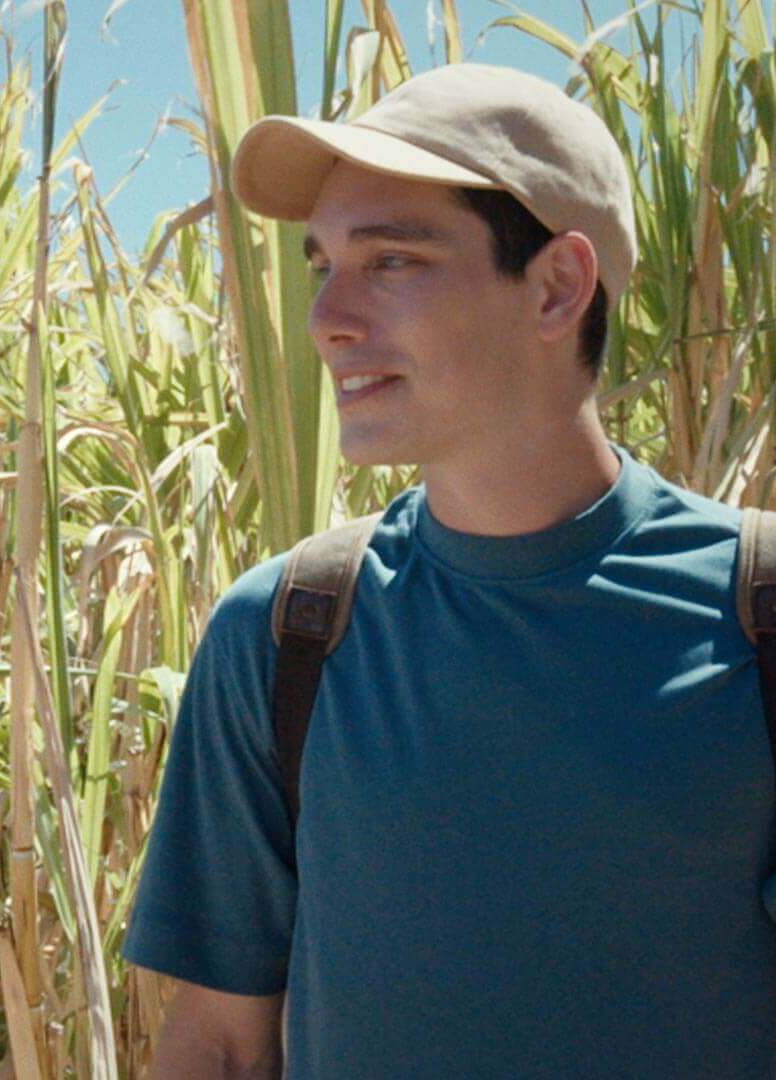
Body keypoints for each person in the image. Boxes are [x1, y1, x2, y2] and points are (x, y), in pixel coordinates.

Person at [123, 63, 776, 1078]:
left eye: (391, 262)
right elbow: (219, 1043)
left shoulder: (755, 616)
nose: (327, 319)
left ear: (558, 286)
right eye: (321, 266)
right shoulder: (287, 634)